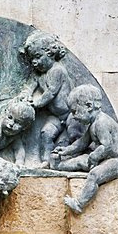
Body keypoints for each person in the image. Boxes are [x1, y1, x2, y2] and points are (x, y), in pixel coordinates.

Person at [54, 84, 118, 214]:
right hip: (104, 157)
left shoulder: (101, 122)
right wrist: (66, 151)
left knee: (94, 175)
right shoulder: (93, 123)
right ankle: (58, 165)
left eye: (75, 111)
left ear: (89, 106)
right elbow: (82, 143)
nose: (73, 116)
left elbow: (106, 146)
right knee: (80, 160)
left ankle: (79, 204)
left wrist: (94, 157)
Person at [19, 30, 73, 168]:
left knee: (68, 139)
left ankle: (67, 161)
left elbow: (51, 93)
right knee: (46, 133)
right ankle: (46, 161)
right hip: (56, 116)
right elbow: (30, 86)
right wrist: (25, 95)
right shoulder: (39, 74)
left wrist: (36, 103)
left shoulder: (57, 70)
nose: (34, 62)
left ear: (50, 53)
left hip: (71, 116)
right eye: (32, 59)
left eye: (37, 57)